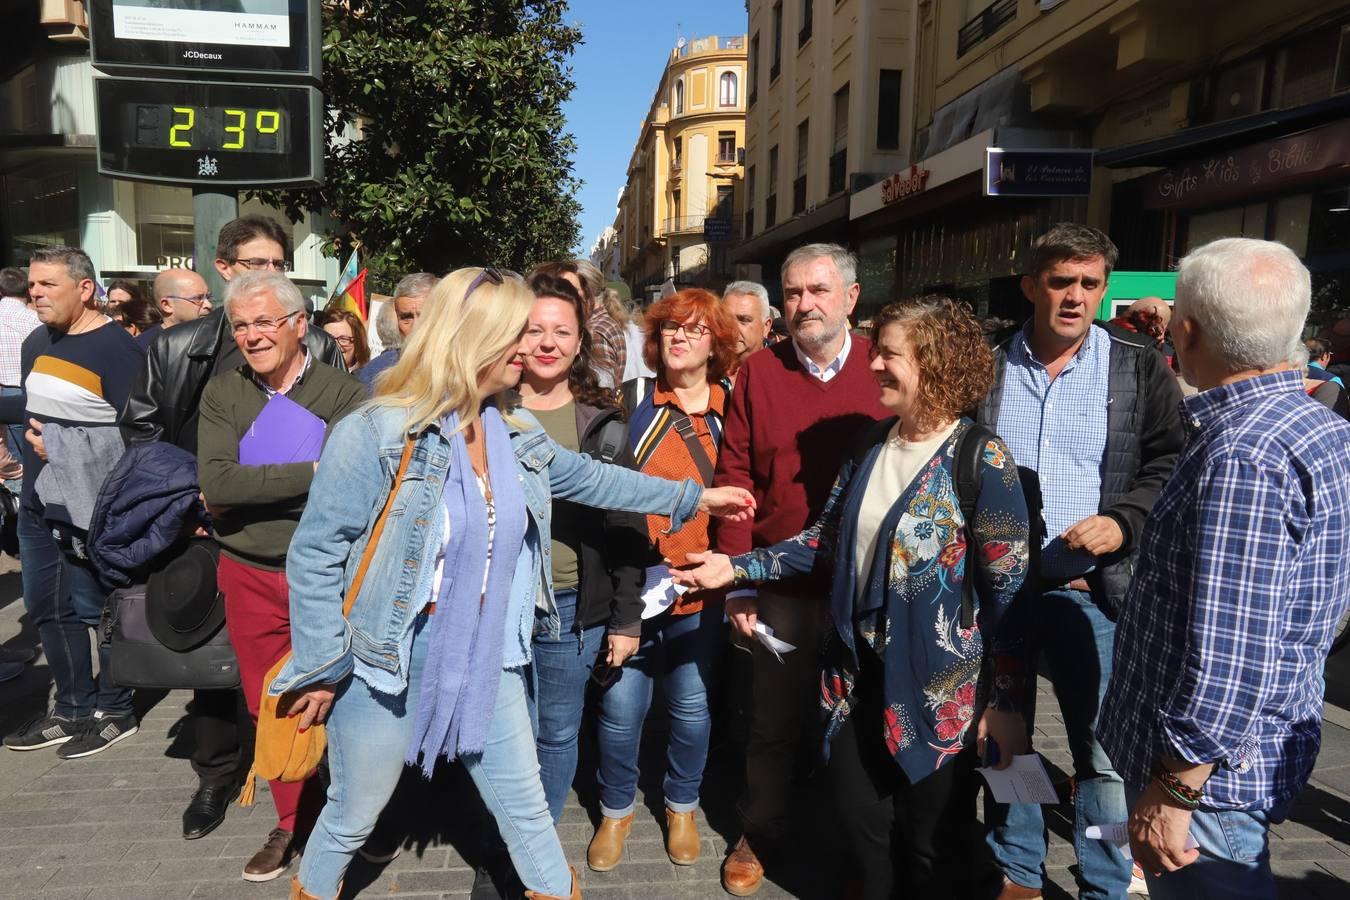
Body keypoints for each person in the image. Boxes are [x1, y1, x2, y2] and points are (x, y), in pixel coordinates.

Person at [273, 267, 754, 900]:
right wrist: (321, 665)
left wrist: (696, 496)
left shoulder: (512, 431)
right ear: (473, 340)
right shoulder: (376, 432)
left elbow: (598, 481)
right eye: (514, 336)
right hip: (381, 660)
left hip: (487, 655)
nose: (527, 349)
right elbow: (314, 557)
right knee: (352, 814)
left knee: (529, 816)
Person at [676, 297, 1032, 898]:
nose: (873, 367)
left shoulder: (980, 458)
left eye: (889, 354)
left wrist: (1008, 705)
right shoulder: (872, 444)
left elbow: (1011, 597)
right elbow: (824, 542)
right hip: (852, 684)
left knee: (930, 848)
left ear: (935, 362)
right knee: (865, 833)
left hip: (937, 697)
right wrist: (735, 567)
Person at [1098, 238, 1350, 899]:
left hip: (1210, 782)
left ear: (1185, 329)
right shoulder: (1312, 425)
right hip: (1239, 759)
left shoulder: (1244, 454)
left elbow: (1231, 652)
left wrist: (1177, 786)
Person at [119, 215, 346, 843]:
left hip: (298, 550)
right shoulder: (177, 347)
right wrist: (189, 501)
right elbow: (147, 437)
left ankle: (314, 791)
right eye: (253, 265)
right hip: (197, 531)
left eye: (277, 266)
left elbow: (347, 469)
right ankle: (217, 777)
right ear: (225, 270)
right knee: (214, 674)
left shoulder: (322, 354)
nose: (265, 278)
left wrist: (265, 483)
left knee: (310, 680)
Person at [977, 223, 1184, 900]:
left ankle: (1103, 875)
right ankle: (1018, 867)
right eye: (1061, 281)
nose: (1075, 296)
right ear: (1031, 285)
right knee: (1008, 736)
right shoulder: (988, 361)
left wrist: (1124, 523)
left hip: (1094, 589)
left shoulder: (1133, 362)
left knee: (1105, 757)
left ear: (1103, 289)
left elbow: (1169, 459)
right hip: (1000, 587)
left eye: (1089, 283)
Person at [714, 243, 889, 896]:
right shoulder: (759, 372)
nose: (803, 304)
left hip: (866, 586)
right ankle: (760, 827)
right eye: (791, 293)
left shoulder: (885, 366)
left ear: (850, 297)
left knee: (862, 721)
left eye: (817, 291)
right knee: (772, 719)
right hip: (781, 586)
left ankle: (859, 844)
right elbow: (735, 476)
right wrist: (739, 581)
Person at [197, 270, 366, 882]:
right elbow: (217, 485)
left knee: (341, 698)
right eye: (240, 324)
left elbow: (356, 483)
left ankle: (350, 819)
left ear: (299, 326)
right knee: (268, 702)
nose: (251, 335)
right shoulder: (223, 392)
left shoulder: (344, 395)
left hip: (326, 574)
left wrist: (258, 482)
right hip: (246, 571)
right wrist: (312, 468)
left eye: (265, 321)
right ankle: (292, 823)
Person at [587, 288, 737, 873]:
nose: (680, 338)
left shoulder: (732, 407)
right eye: (671, 328)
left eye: (695, 330)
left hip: (702, 588)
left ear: (715, 343)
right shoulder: (630, 402)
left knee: (693, 709)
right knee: (621, 711)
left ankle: (682, 804)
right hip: (635, 586)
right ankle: (616, 808)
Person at [512, 272, 650, 827]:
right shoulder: (485, 411)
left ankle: (532, 849)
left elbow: (627, 522)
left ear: (579, 343)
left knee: (556, 733)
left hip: (569, 611)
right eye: (534, 330)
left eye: (561, 332)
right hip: (495, 605)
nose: (547, 343)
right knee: (502, 734)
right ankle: (506, 837)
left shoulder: (601, 425)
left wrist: (625, 618)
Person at [0, 247, 144, 758]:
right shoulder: (37, 341)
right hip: (40, 501)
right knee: (45, 607)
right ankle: (73, 709)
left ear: (85, 289)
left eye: (48, 285)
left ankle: (115, 707)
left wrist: (59, 446)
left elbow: (139, 437)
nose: (35, 294)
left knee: (97, 608)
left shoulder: (119, 351)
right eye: (32, 285)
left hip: (93, 505)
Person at [530, 260, 627, 389]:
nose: (548, 343)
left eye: (574, 295)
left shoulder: (595, 333)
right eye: (535, 331)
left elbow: (601, 390)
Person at [358, 272, 436, 392]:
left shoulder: (466, 370)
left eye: (425, 315)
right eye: (406, 317)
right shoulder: (375, 372)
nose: (416, 326)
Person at [137, 268, 213, 350]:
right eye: (198, 298)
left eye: (208, 297)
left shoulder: (214, 338)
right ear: (167, 305)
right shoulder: (144, 348)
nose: (208, 305)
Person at [722, 280, 773, 378]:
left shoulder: (781, 370)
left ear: (766, 326)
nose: (732, 328)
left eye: (744, 320)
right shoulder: (706, 368)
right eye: (726, 319)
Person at [322, 309, 371, 373]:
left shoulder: (368, 377)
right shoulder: (312, 373)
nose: (336, 345)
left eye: (343, 339)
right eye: (329, 338)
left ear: (358, 341)